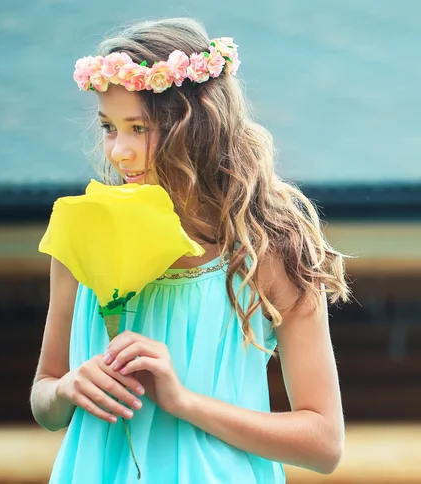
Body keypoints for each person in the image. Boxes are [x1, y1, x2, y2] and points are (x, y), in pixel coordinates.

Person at [30, 17, 350, 484]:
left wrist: (184, 402)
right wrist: (69, 390)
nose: (119, 151)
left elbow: (325, 444)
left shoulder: (267, 249)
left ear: (195, 127)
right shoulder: (80, 235)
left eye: (138, 128)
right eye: (108, 127)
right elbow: (45, 399)